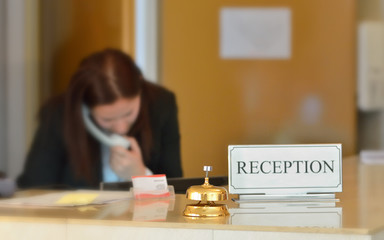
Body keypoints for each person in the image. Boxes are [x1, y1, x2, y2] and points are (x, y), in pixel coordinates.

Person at [17, 48, 183, 189]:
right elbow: (34, 188)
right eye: (107, 119)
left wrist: (140, 175)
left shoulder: (162, 106)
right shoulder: (57, 114)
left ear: (140, 89)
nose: (121, 128)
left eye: (128, 113)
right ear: (86, 108)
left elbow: (177, 191)